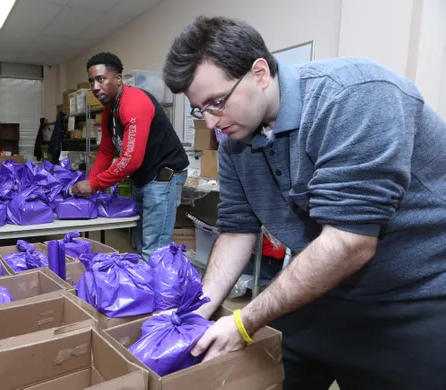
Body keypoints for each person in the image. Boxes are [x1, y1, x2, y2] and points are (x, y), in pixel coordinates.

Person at [163, 16, 446, 390]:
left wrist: (244, 322)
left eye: (217, 102)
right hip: (325, 283)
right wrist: (201, 306)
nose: (212, 123)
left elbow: (350, 241)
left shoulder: (354, 96)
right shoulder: (234, 143)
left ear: (260, 72)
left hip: (415, 293)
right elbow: (236, 231)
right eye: (203, 110)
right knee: (270, 374)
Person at [71, 52, 189, 260]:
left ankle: (158, 292)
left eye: (101, 79)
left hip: (163, 177)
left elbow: (130, 160)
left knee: (154, 250)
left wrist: (94, 184)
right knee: (140, 243)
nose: (95, 87)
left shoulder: (134, 103)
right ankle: (146, 288)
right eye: (92, 82)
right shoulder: (110, 110)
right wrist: (91, 181)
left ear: (118, 79)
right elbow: (107, 151)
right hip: (143, 178)